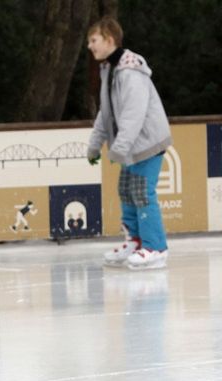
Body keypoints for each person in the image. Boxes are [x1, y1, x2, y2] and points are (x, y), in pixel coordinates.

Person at [85, 16, 172, 271]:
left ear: (109, 40)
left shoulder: (130, 70)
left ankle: (155, 247)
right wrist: (94, 144)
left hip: (146, 142)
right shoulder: (110, 69)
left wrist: (119, 147)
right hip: (131, 146)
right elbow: (107, 111)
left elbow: (134, 113)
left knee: (143, 193)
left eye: (94, 40)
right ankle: (134, 241)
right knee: (127, 191)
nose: (90, 46)